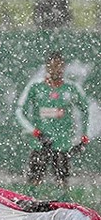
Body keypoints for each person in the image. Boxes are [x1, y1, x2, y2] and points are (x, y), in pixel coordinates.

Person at [16, 50, 90, 190]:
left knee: (62, 180)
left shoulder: (71, 88)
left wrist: (83, 135)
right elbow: (20, 111)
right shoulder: (36, 87)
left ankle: (62, 206)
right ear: (47, 67)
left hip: (63, 142)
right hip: (41, 142)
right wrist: (34, 131)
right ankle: (32, 205)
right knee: (34, 179)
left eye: (59, 66)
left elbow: (85, 109)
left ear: (64, 67)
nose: (56, 69)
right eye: (53, 65)